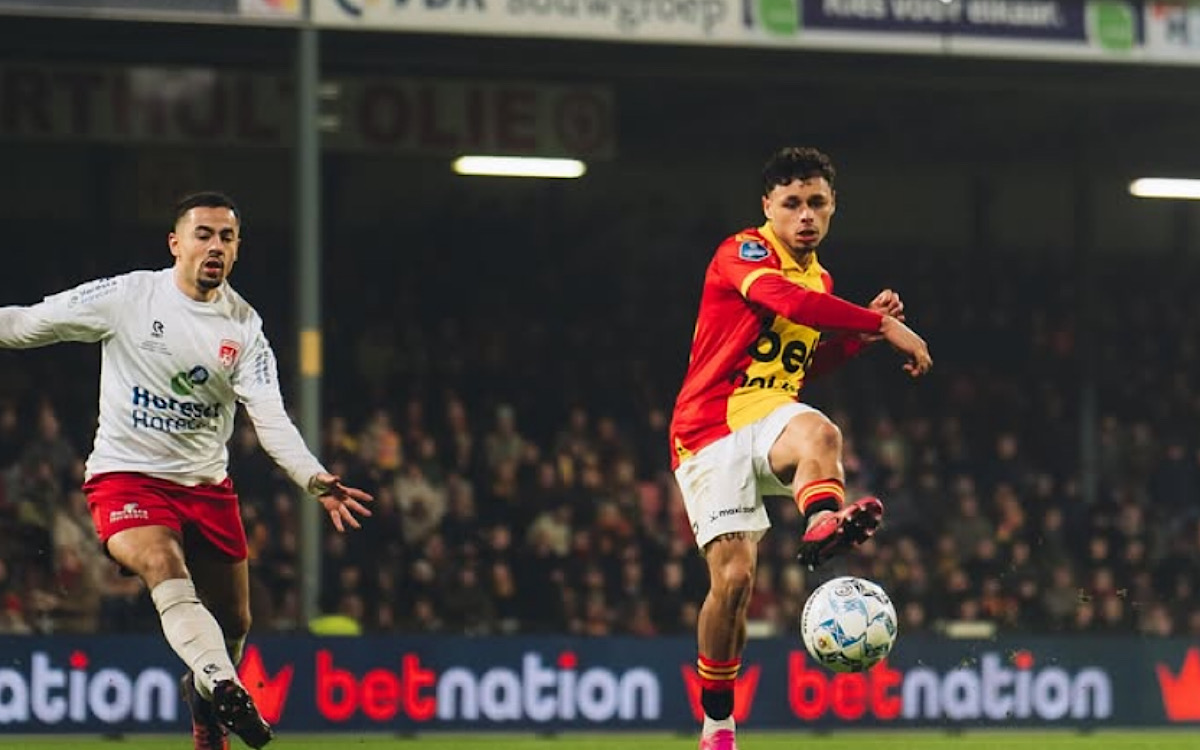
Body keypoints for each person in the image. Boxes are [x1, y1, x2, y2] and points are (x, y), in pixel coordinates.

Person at [0, 192, 373, 750]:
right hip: (126, 476)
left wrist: (313, 477)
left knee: (236, 625)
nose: (214, 245)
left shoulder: (244, 327)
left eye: (226, 236)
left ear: (237, 248)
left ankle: (205, 698)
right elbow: (29, 324)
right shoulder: (129, 296)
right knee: (159, 560)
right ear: (176, 243)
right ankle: (223, 685)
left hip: (205, 488)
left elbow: (270, 418)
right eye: (203, 234)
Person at [669, 147, 932, 750]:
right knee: (733, 581)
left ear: (833, 207)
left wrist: (859, 334)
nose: (805, 215)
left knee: (822, 433)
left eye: (816, 203)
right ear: (768, 207)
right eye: (792, 204)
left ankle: (819, 523)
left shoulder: (823, 282)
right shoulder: (746, 252)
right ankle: (717, 724)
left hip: (769, 416)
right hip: (708, 425)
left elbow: (804, 366)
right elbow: (784, 303)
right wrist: (881, 327)